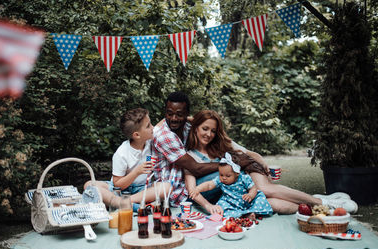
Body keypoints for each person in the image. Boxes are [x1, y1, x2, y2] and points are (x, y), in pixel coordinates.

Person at [184, 109, 359, 214]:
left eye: (213, 130)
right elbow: (192, 189)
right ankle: (319, 205)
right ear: (195, 127)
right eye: (204, 128)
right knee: (275, 205)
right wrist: (208, 206)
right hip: (233, 194)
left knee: (264, 189)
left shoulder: (221, 144)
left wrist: (263, 165)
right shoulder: (189, 156)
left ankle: (323, 203)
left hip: (248, 172)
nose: (209, 134)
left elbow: (249, 153)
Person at [84, 108, 170, 208]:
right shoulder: (122, 153)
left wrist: (190, 119)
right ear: (137, 135)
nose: (153, 127)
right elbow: (117, 184)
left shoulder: (148, 140)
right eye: (148, 126)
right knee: (89, 185)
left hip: (141, 190)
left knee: (167, 187)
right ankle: (128, 203)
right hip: (119, 190)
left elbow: (164, 122)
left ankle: (124, 202)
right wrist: (136, 172)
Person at [152, 92, 219, 207]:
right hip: (178, 193)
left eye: (179, 114)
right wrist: (229, 164)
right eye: (169, 114)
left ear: (187, 114)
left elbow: (208, 130)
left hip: (192, 181)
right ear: (165, 113)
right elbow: (196, 168)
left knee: (233, 175)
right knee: (228, 174)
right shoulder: (164, 136)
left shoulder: (188, 128)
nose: (173, 118)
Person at [194, 152, 273, 219]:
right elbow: (209, 185)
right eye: (221, 175)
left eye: (228, 176)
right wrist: (198, 189)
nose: (224, 178)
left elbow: (253, 188)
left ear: (237, 173)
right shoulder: (220, 180)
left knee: (260, 197)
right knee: (221, 207)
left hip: (246, 201)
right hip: (230, 202)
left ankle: (253, 212)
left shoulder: (244, 178)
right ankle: (243, 215)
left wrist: (250, 195)